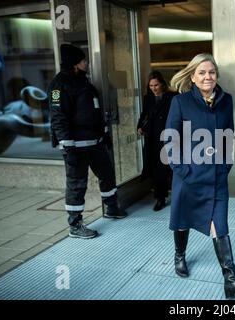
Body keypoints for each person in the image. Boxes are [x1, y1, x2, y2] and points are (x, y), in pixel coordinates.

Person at [164, 53, 235, 299]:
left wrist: (226, 165)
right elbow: (171, 141)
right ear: (192, 77)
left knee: (220, 225)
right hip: (188, 176)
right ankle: (179, 255)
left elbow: (228, 135)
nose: (208, 77)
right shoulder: (180, 102)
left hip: (216, 176)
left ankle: (230, 279)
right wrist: (184, 171)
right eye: (202, 73)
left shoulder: (226, 101)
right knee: (183, 220)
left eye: (212, 72)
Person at [48, 44, 126, 239]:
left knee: (107, 175)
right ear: (75, 64)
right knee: (77, 183)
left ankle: (111, 208)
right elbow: (58, 116)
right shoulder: (58, 86)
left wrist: (104, 133)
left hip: (95, 142)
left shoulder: (85, 83)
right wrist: (67, 144)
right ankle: (75, 225)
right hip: (76, 145)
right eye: (83, 60)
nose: (87, 63)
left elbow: (95, 110)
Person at [137, 71, 176, 211]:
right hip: (153, 138)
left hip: (169, 136)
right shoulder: (148, 98)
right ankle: (160, 198)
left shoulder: (172, 97)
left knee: (172, 168)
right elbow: (144, 115)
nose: (154, 88)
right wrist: (140, 126)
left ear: (162, 84)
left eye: (156, 85)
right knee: (157, 169)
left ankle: (180, 196)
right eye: (151, 85)